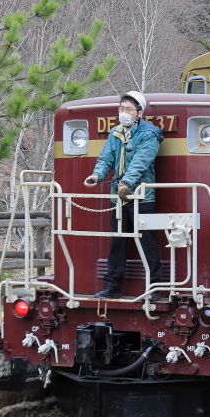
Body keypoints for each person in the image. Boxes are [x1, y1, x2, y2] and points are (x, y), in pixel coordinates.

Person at [83, 91, 163, 299]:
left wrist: (126, 183)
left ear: (139, 112)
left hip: (142, 197)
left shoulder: (150, 134)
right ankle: (112, 286)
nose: (123, 113)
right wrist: (97, 175)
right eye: (121, 109)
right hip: (118, 198)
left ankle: (154, 287)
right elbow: (106, 157)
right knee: (117, 242)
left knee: (146, 242)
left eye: (128, 109)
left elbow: (141, 162)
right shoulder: (116, 132)